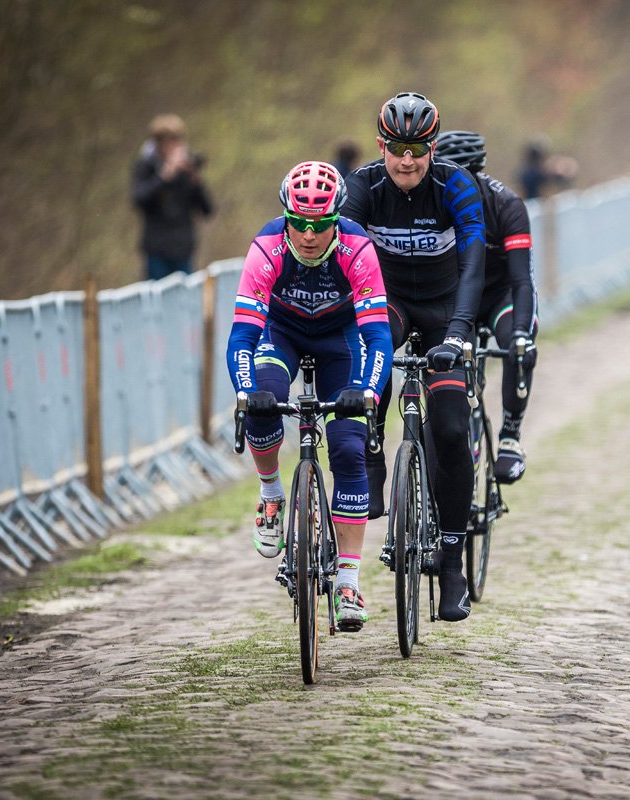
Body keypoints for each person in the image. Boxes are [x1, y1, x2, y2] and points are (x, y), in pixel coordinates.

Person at [225, 160, 393, 631]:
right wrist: (245, 393)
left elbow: (378, 337)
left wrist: (369, 393)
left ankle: (347, 581)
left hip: (341, 342)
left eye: (320, 225)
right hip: (281, 334)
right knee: (264, 401)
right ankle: (271, 495)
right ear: (287, 216)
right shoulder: (268, 246)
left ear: (336, 219)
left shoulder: (357, 248)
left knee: (347, 448)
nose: (309, 234)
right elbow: (240, 338)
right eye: (299, 223)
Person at [342, 92, 486, 623]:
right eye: (398, 148)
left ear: (433, 146)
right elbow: (343, 256)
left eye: (418, 148)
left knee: (450, 431)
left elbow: (474, 264)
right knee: (368, 368)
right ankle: (374, 453)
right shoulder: (363, 187)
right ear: (382, 145)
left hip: (447, 307)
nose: (408, 161)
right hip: (390, 302)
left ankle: (452, 564)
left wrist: (459, 333)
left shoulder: (456, 185)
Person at [433, 130, 539, 484]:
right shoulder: (431, 203)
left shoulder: (506, 205)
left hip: (498, 295)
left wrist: (521, 334)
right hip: (454, 295)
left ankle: (510, 435)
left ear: (477, 174)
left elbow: (522, 280)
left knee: (518, 344)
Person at [131, 114, 213, 281]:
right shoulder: (146, 166)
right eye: (170, 141)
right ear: (158, 144)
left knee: (184, 302)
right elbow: (139, 200)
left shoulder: (186, 169)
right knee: (157, 302)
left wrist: (195, 180)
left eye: (177, 140)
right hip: (156, 250)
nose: (175, 146)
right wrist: (164, 177)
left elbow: (207, 209)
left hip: (184, 249)